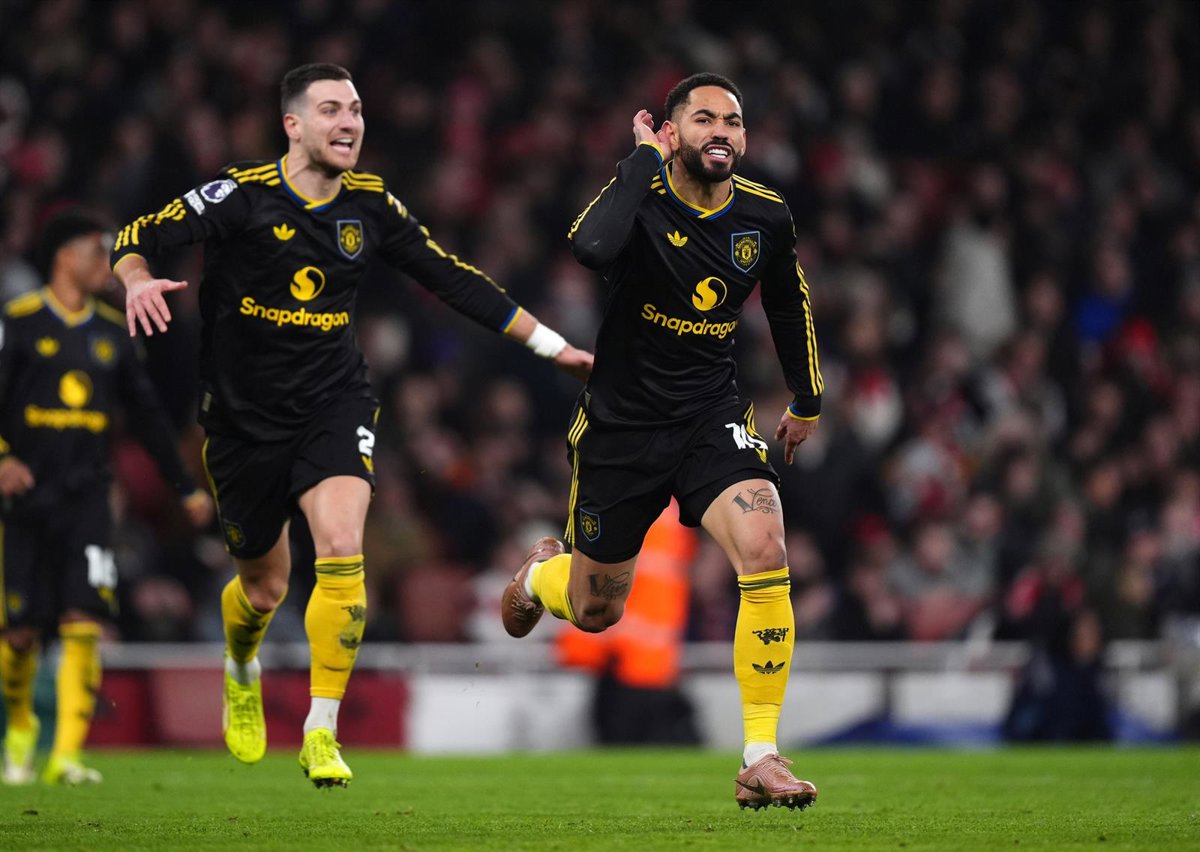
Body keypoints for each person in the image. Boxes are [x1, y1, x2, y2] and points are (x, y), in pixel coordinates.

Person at [111, 63, 591, 788]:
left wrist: (553, 346)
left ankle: (320, 730)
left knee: (341, 545)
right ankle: (240, 665)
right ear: (293, 125)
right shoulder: (242, 195)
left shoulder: (370, 204)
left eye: (357, 109)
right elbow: (138, 232)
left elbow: (450, 276)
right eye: (332, 109)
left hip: (334, 403)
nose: (349, 122)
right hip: (241, 424)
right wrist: (136, 278)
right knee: (264, 588)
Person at [502, 72, 823, 811]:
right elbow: (590, 246)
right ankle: (541, 576)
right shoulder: (639, 198)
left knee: (766, 545)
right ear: (672, 133)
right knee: (596, 611)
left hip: (710, 416)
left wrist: (807, 397)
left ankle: (760, 756)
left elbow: (787, 302)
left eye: (733, 121)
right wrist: (642, 161)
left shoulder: (765, 215)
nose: (722, 132)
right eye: (704, 119)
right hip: (620, 427)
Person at [0, 210, 214, 785]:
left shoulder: (112, 333)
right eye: (97, 251)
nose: (106, 263)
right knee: (18, 633)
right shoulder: (17, 324)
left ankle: (66, 755)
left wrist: (185, 486)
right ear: (64, 256)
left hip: (88, 500)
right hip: (23, 504)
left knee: (84, 622)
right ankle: (18, 728)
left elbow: (148, 419)